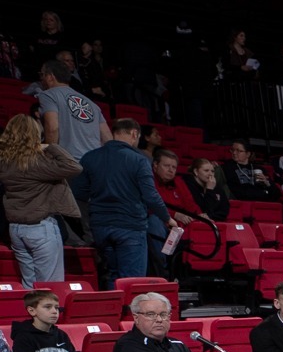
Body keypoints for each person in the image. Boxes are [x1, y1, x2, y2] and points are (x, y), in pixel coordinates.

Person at [80, 117, 169, 283]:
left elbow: (80, 193)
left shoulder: (90, 157)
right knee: (132, 281)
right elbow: (150, 196)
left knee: (111, 276)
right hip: (130, 227)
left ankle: (113, 309)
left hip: (100, 227)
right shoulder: (139, 159)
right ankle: (127, 309)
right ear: (135, 134)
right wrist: (167, 218)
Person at [0, 113, 80, 286]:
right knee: (50, 287)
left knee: (30, 285)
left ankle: (30, 313)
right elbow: (73, 166)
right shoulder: (36, 162)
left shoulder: (4, 161)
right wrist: (49, 146)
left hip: (16, 229)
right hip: (40, 229)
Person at [31, 59, 108, 238]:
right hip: (95, 167)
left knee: (69, 217)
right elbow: (107, 138)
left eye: (42, 75)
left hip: (70, 164)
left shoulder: (48, 95)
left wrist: (49, 156)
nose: (41, 79)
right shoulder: (91, 103)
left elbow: (52, 127)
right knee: (89, 218)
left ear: (50, 77)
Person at [112, 292, 197, 352]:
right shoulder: (129, 346)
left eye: (163, 314)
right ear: (136, 318)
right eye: (150, 314)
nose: (159, 320)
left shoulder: (177, 344)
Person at [10, 290, 83, 352]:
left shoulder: (61, 335)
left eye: (56, 307)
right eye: (48, 307)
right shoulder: (23, 337)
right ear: (32, 311)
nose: (55, 311)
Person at [186, 157, 230, 221]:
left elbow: (224, 211)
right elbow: (202, 210)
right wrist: (209, 190)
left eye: (212, 171)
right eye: (206, 171)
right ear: (196, 171)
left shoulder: (217, 188)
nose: (210, 174)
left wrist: (211, 217)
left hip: (215, 222)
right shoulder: (188, 186)